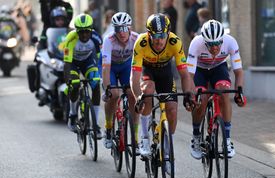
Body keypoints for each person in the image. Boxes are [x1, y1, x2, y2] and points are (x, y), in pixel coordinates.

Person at [130, 13, 195, 157]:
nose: (159, 41)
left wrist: (188, 94)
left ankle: (167, 143)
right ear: (149, 34)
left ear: (168, 33)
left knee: (172, 109)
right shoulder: (141, 43)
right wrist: (138, 97)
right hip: (148, 71)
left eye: (162, 36)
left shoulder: (175, 42)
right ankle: (144, 138)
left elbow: (185, 74)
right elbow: (134, 77)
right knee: (147, 91)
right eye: (155, 37)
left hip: (165, 73)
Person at [187, 19, 247, 159]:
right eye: (211, 44)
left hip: (218, 68)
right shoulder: (196, 43)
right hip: (200, 70)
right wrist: (190, 94)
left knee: (223, 92)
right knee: (201, 99)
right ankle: (196, 136)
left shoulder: (230, 41)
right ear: (204, 41)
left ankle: (227, 139)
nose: (215, 48)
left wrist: (239, 91)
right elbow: (189, 75)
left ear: (222, 39)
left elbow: (238, 72)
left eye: (218, 43)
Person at [101, 12, 140, 150]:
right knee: (114, 94)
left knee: (133, 96)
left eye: (124, 28)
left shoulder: (137, 39)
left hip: (125, 67)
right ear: (114, 29)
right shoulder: (108, 40)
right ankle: (108, 128)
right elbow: (105, 68)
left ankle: (135, 137)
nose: (122, 32)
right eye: (118, 29)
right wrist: (107, 88)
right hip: (111, 68)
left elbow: (142, 65)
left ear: (130, 27)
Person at [63, 14, 102, 138]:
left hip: (88, 62)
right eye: (81, 32)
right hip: (73, 63)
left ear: (91, 30)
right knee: (74, 85)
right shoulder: (70, 38)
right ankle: (73, 114)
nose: (84, 35)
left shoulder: (96, 38)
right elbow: (67, 63)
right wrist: (69, 79)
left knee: (96, 85)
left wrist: (100, 76)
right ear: (76, 31)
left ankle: (95, 124)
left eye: (87, 31)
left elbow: (99, 59)